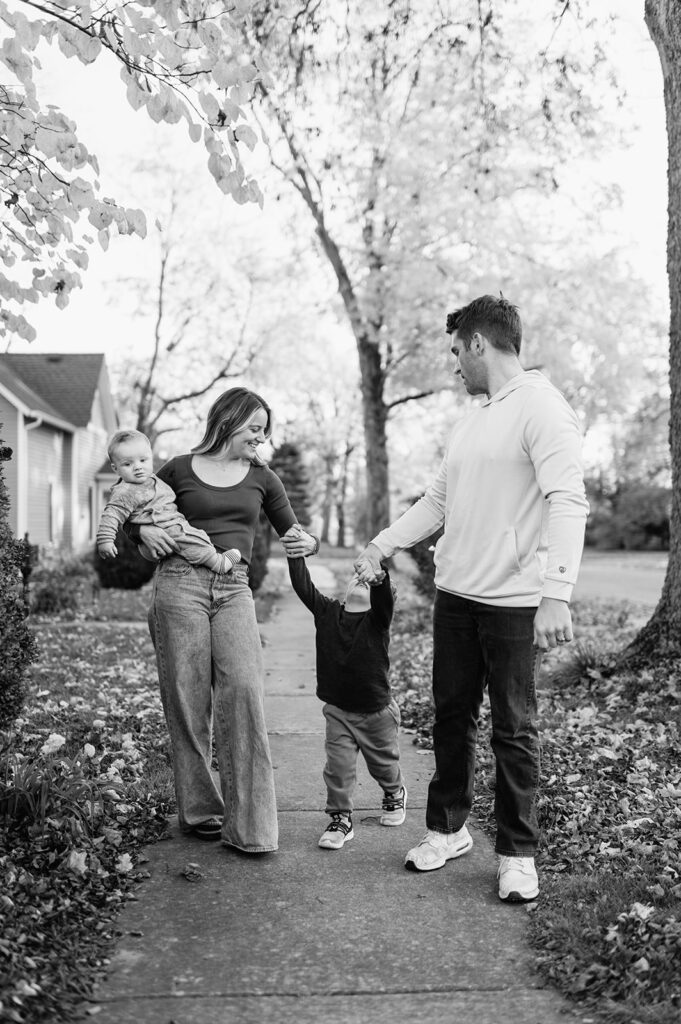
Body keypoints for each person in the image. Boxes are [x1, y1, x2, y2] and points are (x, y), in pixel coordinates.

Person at [354, 295, 589, 902]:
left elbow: (567, 499)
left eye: (457, 350)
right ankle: (448, 829)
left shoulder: (542, 409)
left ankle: (516, 853)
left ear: (480, 343)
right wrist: (381, 545)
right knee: (451, 718)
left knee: (514, 727)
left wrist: (556, 593)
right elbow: (437, 501)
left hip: (513, 600)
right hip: (455, 596)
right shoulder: (473, 419)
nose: (454, 363)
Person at [126, 388, 317, 850]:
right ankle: (200, 811)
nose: (261, 436)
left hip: (234, 588)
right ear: (228, 421)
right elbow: (129, 508)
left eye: (265, 429)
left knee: (245, 691)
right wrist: (141, 530)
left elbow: (291, 529)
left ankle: (251, 827)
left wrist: (305, 543)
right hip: (180, 582)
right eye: (255, 427)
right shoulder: (177, 468)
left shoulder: (263, 477)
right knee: (188, 700)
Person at [287, 547, 406, 850]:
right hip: (338, 711)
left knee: (384, 766)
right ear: (344, 590)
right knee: (337, 769)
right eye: (357, 579)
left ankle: (394, 793)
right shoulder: (327, 613)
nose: (360, 581)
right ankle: (340, 818)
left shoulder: (377, 622)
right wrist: (295, 554)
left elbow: (383, 600)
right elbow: (304, 586)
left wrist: (378, 578)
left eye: (367, 584)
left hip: (376, 713)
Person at [97, 429, 242, 573]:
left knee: (195, 535)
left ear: (151, 457)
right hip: (162, 529)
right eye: (128, 464)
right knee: (189, 539)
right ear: (115, 469)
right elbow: (112, 514)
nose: (138, 467)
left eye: (143, 460)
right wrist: (105, 540)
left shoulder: (152, 479)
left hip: (166, 528)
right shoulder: (126, 490)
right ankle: (218, 563)